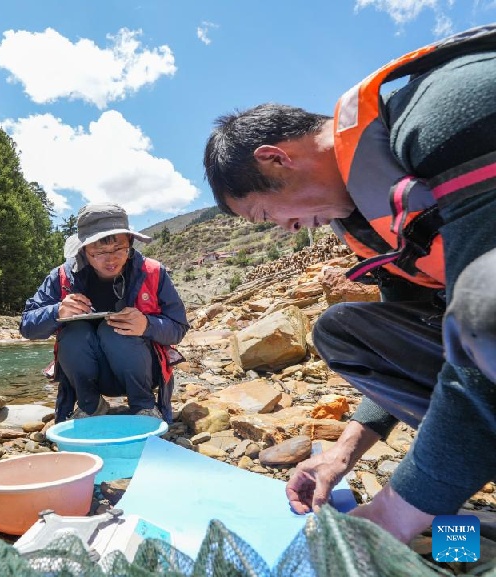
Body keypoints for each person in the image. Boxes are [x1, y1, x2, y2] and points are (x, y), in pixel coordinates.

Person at [202, 24, 496, 544]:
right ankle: (457, 471)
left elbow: (484, 325)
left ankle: (437, 486)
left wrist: (395, 512)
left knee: (483, 312)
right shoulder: (366, 221)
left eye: (267, 214)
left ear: (275, 158)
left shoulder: (446, 111)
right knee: (344, 331)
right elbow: (411, 342)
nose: (285, 229)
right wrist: (343, 452)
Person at [20, 203, 189, 423]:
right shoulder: (61, 277)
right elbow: (27, 326)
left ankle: (143, 406)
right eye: (99, 252)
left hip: (144, 372)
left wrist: (147, 325)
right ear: (83, 250)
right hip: (89, 377)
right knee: (74, 333)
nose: (111, 259)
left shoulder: (154, 273)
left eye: (119, 249)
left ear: (130, 242)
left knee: (114, 330)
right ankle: (91, 406)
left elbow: (178, 327)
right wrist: (57, 311)